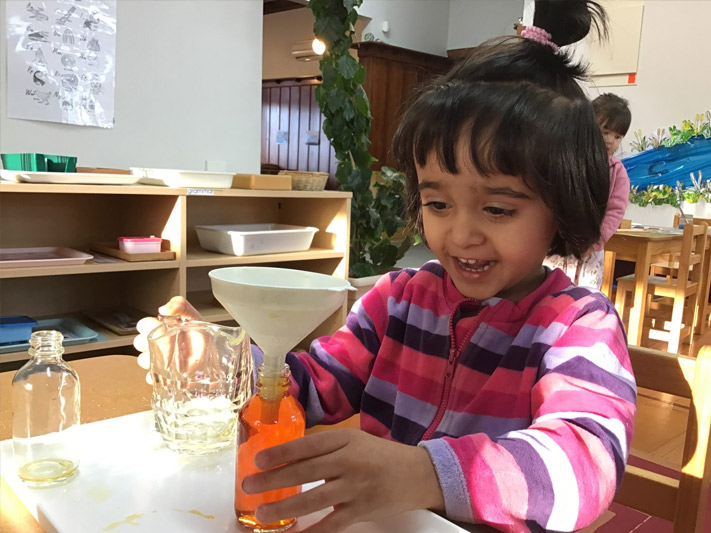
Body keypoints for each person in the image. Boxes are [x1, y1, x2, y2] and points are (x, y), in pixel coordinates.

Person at [134, 1, 636, 531]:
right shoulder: (399, 301)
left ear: (563, 205)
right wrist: (221, 361)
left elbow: (587, 463)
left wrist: (424, 474)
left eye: (498, 208)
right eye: (438, 204)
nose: (461, 233)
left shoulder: (577, 327)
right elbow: (309, 384)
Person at [545, 93, 632, 288]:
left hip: (590, 251)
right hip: (558, 246)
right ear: (586, 128)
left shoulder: (617, 172)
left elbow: (615, 211)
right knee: (549, 293)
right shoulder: (566, 161)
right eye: (605, 131)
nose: (611, 141)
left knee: (585, 298)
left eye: (618, 137)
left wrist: (595, 242)